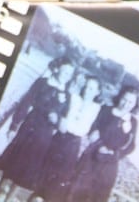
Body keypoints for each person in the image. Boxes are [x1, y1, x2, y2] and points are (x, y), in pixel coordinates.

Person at [0, 59, 76, 202]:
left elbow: (64, 117)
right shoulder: (42, 82)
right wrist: (14, 125)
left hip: (45, 135)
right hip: (30, 126)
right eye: (65, 71)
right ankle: (4, 181)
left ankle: (10, 196)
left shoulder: (67, 95)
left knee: (29, 167)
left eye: (69, 73)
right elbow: (26, 102)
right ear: (58, 69)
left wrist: (57, 120)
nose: (66, 75)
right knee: (16, 158)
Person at [36, 74, 103, 202]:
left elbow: (100, 127)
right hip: (60, 138)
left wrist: (96, 133)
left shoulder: (97, 109)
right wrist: (60, 119)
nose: (87, 90)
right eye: (86, 86)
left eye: (91, 89)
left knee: (57, 182)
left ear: (97, 92)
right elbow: (57, 110)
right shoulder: (73, 98)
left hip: (74, 144)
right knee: (43, 176)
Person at [66, 85, 139, 202]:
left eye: (131, 102)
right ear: (120, 97)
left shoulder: (133, 122)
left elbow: (131, 146)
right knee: (76, 191)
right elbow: (92, 128)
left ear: (135, 104)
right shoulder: (106, 110)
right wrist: (96, 140)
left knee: (98, 196)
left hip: (109, 164)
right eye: (124, 99)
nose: (126, 104)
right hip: (91, 157)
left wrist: (114, 153)